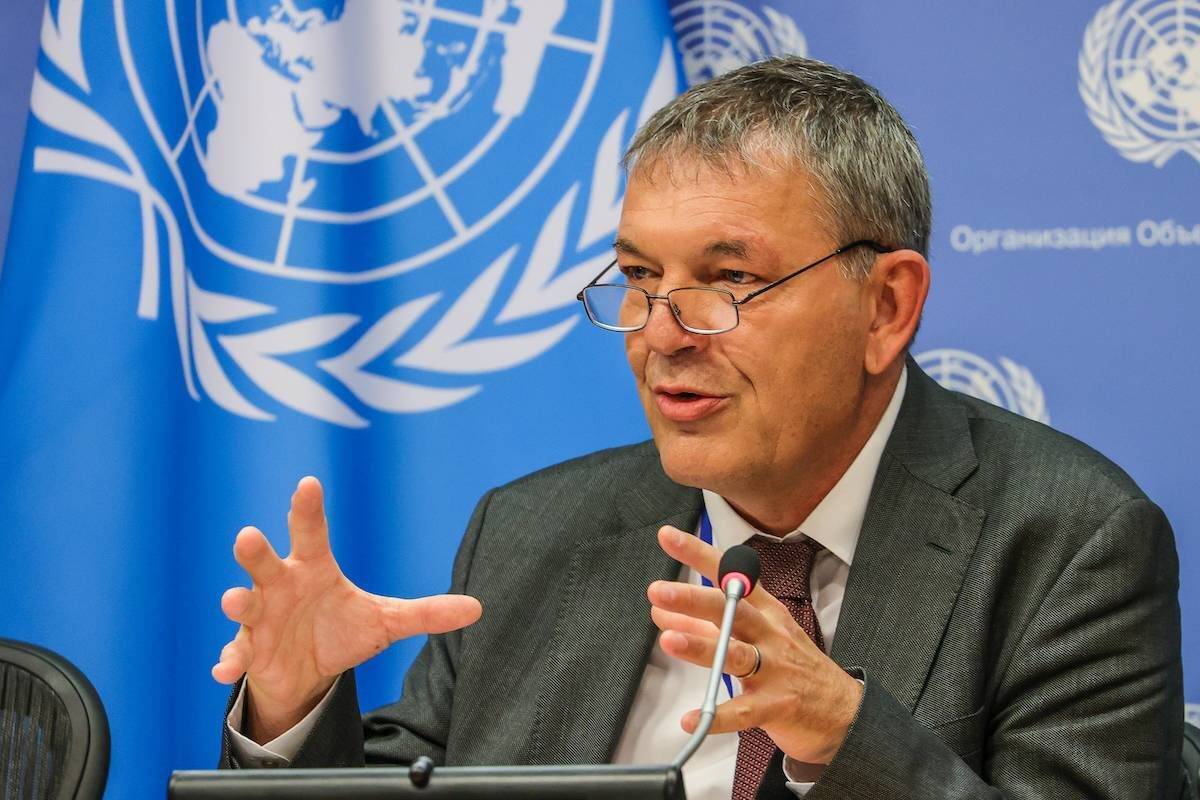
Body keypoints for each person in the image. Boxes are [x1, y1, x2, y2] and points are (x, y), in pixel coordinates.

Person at [213, 57, 1184, 799]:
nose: (662, 335)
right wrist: (291, 707)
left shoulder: (1067, 540)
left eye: (731, 280)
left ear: (886, 306)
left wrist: (850, 736)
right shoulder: (531, 529)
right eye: (639, 278)